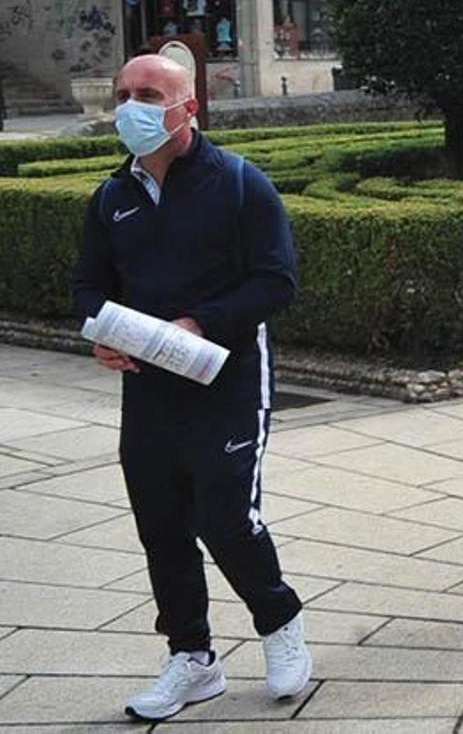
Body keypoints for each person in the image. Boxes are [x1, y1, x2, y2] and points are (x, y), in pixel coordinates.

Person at [71, 54, 311, 721]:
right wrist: (101, 333)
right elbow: (89, 285)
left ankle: (279, 620)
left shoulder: (238, 183)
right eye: (124, 94)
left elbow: (277, 280)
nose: (131, 107)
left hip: (227, 382)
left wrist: (199, 323)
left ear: (188, 107)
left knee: (225, 519)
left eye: (149, 94)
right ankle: (192, 657)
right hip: (148, 388)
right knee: (161, 525)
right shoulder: (112, 197)